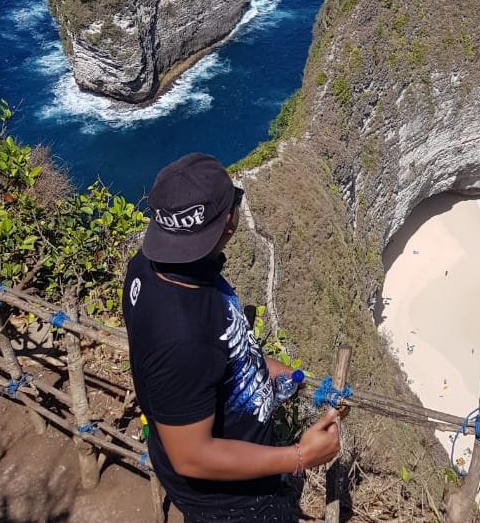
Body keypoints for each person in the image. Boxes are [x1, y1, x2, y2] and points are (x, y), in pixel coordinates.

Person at [123, 153, 340, 522]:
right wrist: (299, 456)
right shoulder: (184, 336)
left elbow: (214, 355)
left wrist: (265, 370)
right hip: (229, 503)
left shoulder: (149, 265)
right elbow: (192, 456)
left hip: (227, 467)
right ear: (228, 222)